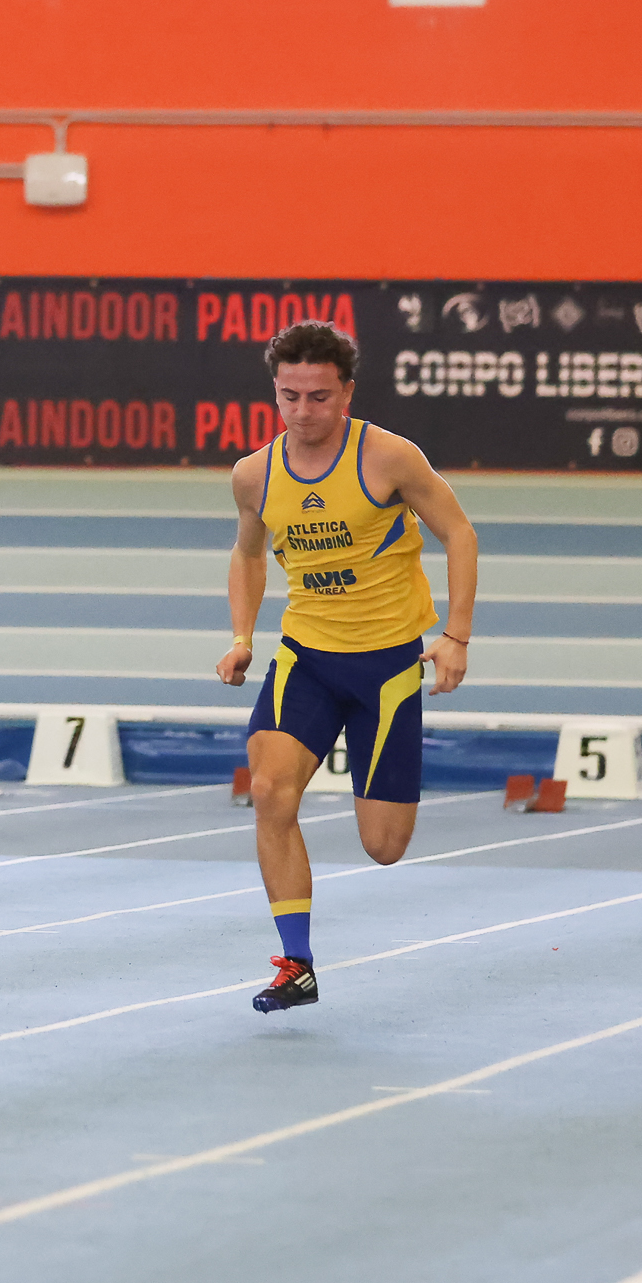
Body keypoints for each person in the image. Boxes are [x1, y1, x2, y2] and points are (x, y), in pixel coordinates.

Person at [217, 321, 479, 1013]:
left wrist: (455, 635)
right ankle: (296, 965)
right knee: (269, 790)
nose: (303, 412)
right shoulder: (253, 474)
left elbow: (459, 531)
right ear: (275, 393)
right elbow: (248, 552)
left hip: (386, 668)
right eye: (290, 396)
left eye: (319, 397)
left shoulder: (389, 458)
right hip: (305, 657)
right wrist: (242, 635)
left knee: (384, 846)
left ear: (347, 393)